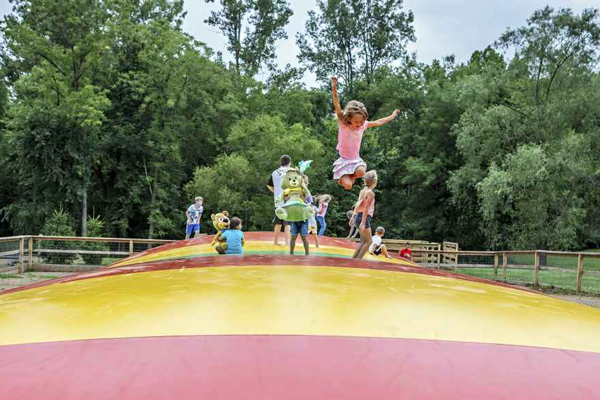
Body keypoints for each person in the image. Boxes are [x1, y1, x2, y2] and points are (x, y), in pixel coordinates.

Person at [331, 76, 400, 190]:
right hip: (344, 160)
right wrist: (334, 88)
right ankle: (343, 179)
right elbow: (337, 105)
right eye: (356, 122)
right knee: (348, 186)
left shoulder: (363, 125)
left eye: (361, 121)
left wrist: (392, 116)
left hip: (355, 159)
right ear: (349, 119)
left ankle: (351, 175)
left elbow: (378, 122)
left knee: (362, 172)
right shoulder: (344, 125)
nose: (359, 124)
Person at [350, 170, 378, 259]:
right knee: (369, 241)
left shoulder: (363, 191)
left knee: (363, 241)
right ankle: (358, 261)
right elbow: (366, 208)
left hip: (358, 216)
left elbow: (358, 203)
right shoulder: (370, 193)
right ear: (374, 181)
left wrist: (353, 217)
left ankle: (353, 260)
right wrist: (363, 222)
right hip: (363, 218)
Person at [267, 155, 292, 246]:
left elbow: (269, 185)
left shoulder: (274, 172)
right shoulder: (291, 171)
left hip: (278, 200)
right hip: (288, 200)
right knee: (287, 223)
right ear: (289, 162)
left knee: (278, 222)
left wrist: (276, 192)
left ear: (280, 162)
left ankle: (276, 242)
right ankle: (287, 242)